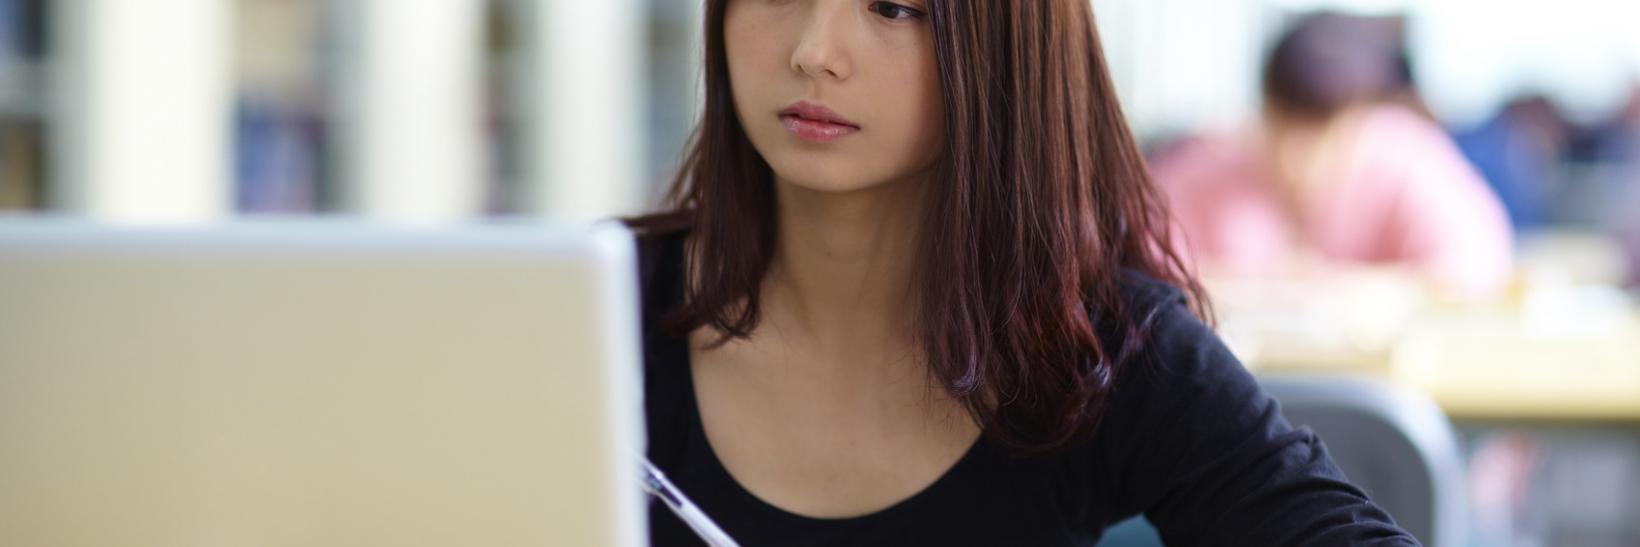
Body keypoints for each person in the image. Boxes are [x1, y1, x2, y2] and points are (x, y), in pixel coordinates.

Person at [628, 1, 1417, 545]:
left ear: (1007, 40)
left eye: (895, 8)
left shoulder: (1095, 343)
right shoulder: (591, 306)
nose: (813, 50)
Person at [1151, 12, 1514, 300]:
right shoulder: (1201, 169)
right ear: (1263, 108)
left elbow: (1478, 266)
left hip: (1376, 384)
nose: (1298, 158)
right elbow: (1143, 278)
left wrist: (1346, 292)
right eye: (1285, 130)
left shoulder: (1404, 157)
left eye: (1322, 136)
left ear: (1363, 116)